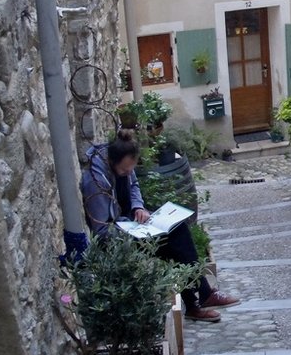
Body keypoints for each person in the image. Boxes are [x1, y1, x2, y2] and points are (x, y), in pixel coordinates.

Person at [81, 129, 239, 323]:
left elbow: (133, 186)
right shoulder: (94, 182)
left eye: (131, 169)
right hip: (117, 241)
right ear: (112, 162)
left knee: (178, 231)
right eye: (124, 170)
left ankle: (198, 300)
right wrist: (131, 227)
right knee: (176, 244)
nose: (128, 173)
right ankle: (199, 300)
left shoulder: (123, 166)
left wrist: (138, 206)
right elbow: (103, 231)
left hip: (133, 227)